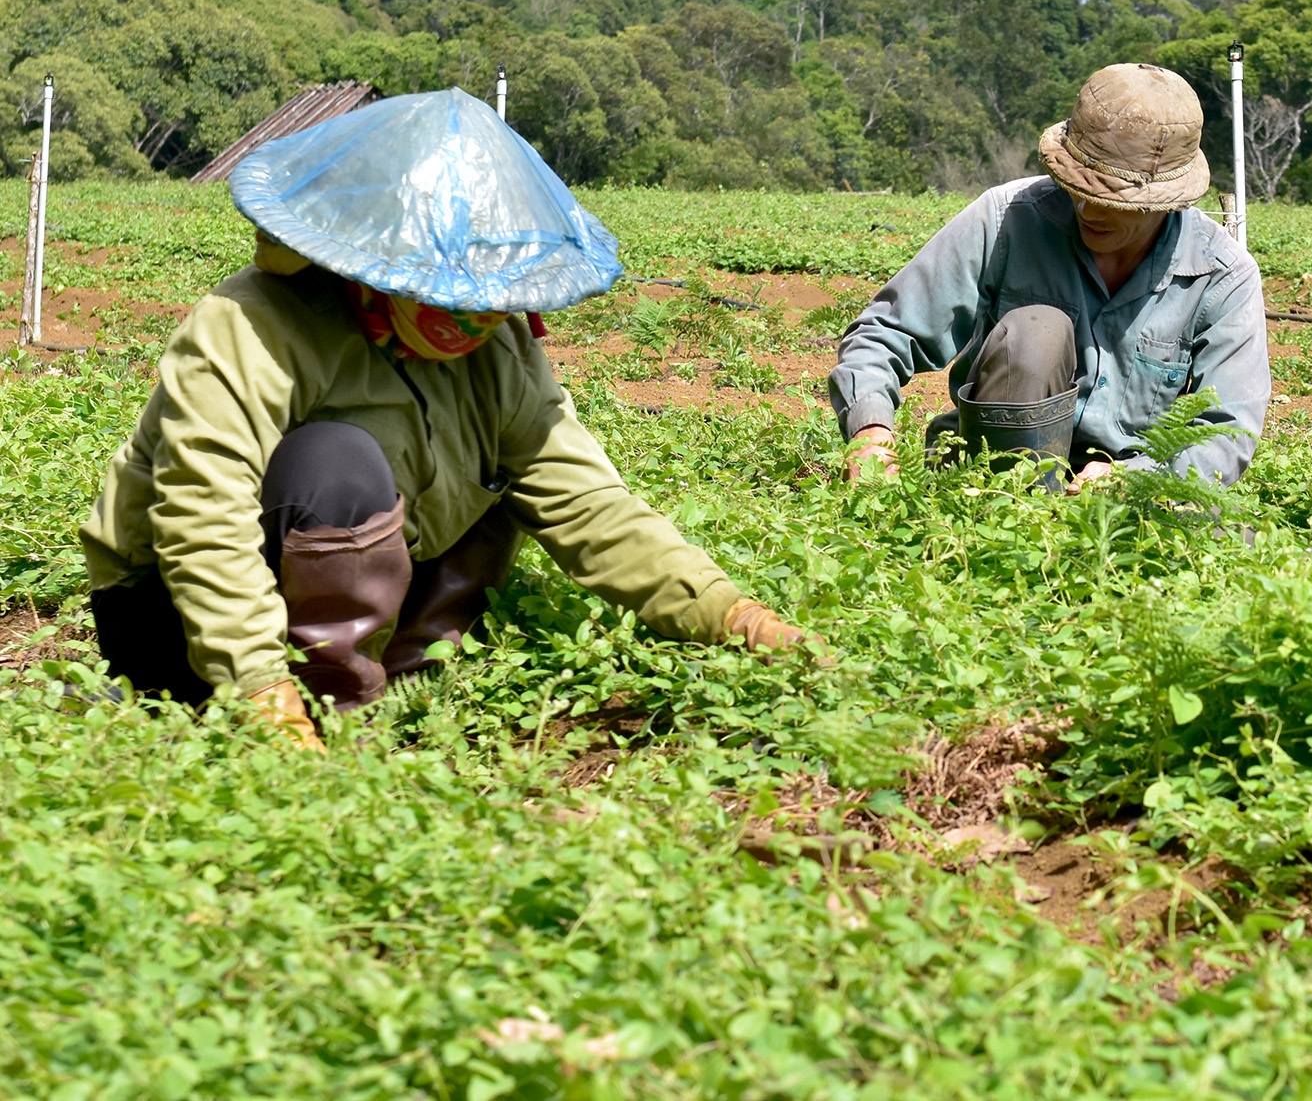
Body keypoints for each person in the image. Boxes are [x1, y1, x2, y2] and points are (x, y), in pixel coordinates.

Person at [81, 89, 811, 750]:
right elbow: (201, 516)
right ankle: (320, 715)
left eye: (496, 299)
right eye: (451, 292)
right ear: (371, 265)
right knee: (337, 462)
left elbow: (590, 503)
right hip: (173, 615)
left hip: (360, 581)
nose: (478, 318)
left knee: (512, 473)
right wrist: (261, 690)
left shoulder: (502, 350)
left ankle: (407, 689)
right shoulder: (250, 323)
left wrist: (733, 615)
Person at [829, 63, 1270, 490]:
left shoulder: (1221, 274)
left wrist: (1137, 478)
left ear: (1166, 201)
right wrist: (869, 429)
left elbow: (1229, 428)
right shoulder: (1006, 218)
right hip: (993, 481)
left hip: (1127, 501)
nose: (1087, 209)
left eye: (1113, 199)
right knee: (1036, 330)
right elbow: (885, 330)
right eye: (1078, 186)